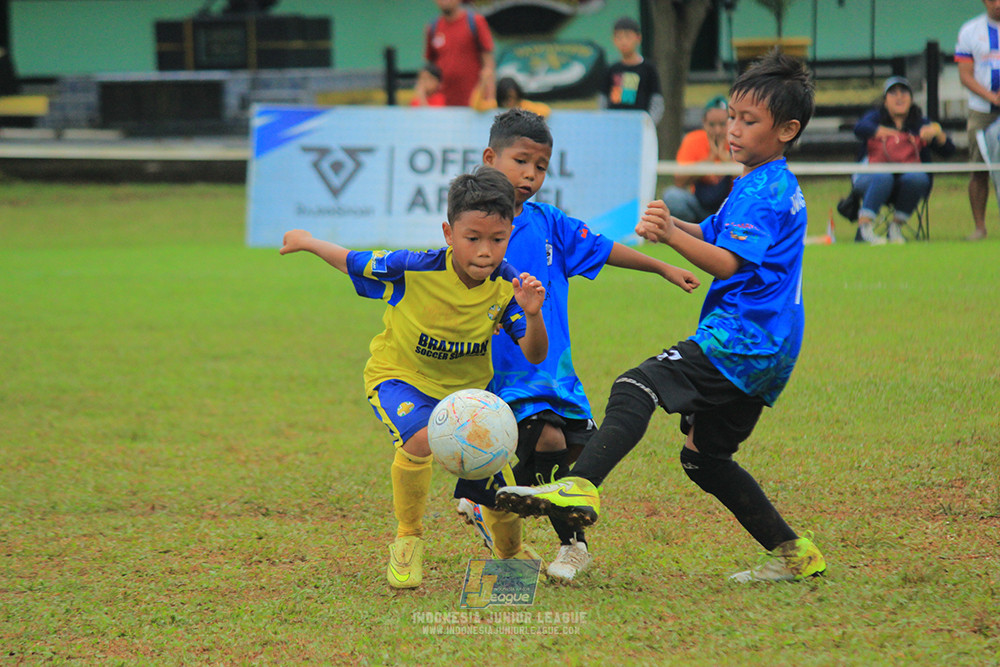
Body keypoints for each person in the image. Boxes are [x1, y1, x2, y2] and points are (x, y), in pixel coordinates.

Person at [495, 51, 828, 584]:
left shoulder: (767, 189)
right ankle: (795, 553)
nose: (733, 131)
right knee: (705, 460)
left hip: (743, 337)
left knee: (635, 385)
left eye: (749, 121)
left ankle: (581, 484)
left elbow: (728, 263)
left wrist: (670, 236)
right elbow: (714, 234)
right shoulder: (759, 181)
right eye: (732, 117)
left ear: (787, 129)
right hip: (771, 346)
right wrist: (677, 224)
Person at [454, 108, 700, 583]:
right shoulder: (471, 230)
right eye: (521, 161)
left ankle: (489, 504)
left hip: (555, 375)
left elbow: (606, 248)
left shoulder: (550, 224)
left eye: (541, 166)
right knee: (541, 446)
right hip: (503, 381)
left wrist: (663, 267)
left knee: (563, 454)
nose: (531, 174)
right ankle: (566, 545)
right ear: (490, 158)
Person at [280, 167, 548, 590]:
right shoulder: (413, 268)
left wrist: (532, 313)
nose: (485, 251)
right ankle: (408, 537)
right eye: (472, 238)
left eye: (497, 240)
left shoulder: (510, 287)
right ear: (448, 233)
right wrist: (309, 242)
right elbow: (352, 261)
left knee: (494, 468)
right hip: (399, 377)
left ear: (510, 235)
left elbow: (535, 353)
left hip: (468, 398)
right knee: (420, 439)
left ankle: (510, 551)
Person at [848, 76, 955, 245]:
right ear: (885, 101)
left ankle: (895, 228)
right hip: (872, 178)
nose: (899, 97)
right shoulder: (874, 117)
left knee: (918, 178)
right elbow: (859, 128)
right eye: (893, 93)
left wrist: (937, 133)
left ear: (911, 99)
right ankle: (864, 229)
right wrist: (888, 133)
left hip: (905, 184)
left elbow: (948, 151)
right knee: (884, 177)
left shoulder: (921, 123)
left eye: (904, 93)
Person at [957, 0, 1000, 241]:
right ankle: (980, 227)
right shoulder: (970, 31)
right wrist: (992, 97)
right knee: (979, 168)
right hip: (981, 110)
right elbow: (965, 74)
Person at [661, 95, 735, 222]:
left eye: (722, 124)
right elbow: (679, 181)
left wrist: (727, 162)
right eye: (712, 125)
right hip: (699, 205)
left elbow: (748, 179)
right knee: (672, 196)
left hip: (730, 207)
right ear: (704, 123)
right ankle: (693, 233)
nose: (717, 131)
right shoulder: (693, 140)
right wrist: (707, 162)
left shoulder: (738, 140)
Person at [425, 0, 495, 107]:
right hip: (443, 106)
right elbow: (429, 69)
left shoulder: (475, 22)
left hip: (473, 104)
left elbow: (488, 65)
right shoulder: (433, 28)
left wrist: (490, 99)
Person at [600, 16, 664, 124]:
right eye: (619, 37)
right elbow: (603, 99)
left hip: (639, 125)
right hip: (615, 125)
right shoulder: (612, 69)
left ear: (638, 38)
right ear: (614, 40)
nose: (623, 42)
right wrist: (605, 120)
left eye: (628, 37)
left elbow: (656, 100)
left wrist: (649, 123)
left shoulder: (648, 69)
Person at [471, 76, 552, 118]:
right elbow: (477, 105)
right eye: (507, 99)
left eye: (514, 98)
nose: (511, 103)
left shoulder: (524, 106)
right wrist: (483, 83)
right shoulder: (495, 106)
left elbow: (545, 111)